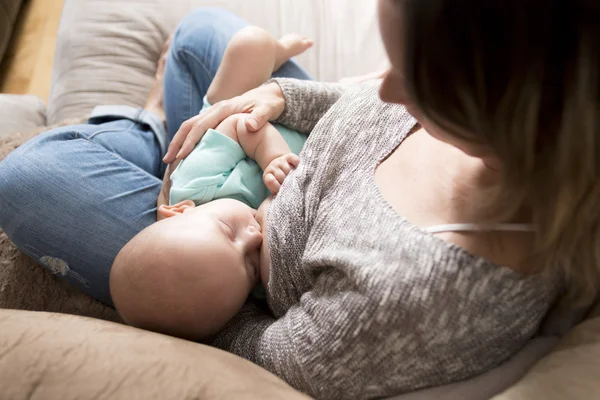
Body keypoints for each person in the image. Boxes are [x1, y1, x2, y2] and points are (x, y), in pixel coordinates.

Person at [0, 1, 597, 399]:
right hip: (285, 150)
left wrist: (197, 262)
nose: (383, 86)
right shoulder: (495, 120)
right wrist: (279, 98)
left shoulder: (414, 301)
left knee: (30, 175)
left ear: (510, 120)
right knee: (203, 32)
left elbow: (271, 357)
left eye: (417, 78)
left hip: (230, 253)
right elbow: (354, 99)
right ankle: (163, 132)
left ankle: (146, 127)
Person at [110, 27, 313, 340]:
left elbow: (240, 127)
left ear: (180, 209)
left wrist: (273, 158)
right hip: (309, 130)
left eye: (229, 231)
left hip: (235, 115)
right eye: (249, 266)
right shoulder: (247, 283)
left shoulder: (194, 186)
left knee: (250, 44)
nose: (254, 239)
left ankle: (278, 52)